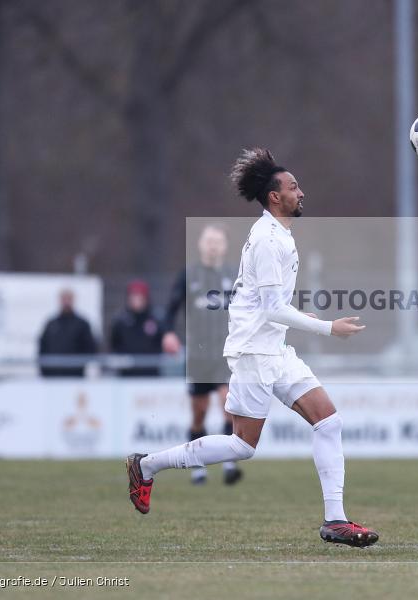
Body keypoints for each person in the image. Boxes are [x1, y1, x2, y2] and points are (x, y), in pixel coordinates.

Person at [127, 148, 379, 547]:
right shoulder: (266, 239)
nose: (301, 192)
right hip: (253, 354)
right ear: (275, 196)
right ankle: (147, 464)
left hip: (274, 351)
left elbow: (274, 306)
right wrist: (329, 328)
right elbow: (272, 307)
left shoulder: (278, 235)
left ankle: (335, 520)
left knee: (329, 422)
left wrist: (312, 320)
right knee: (243, 446)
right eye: (294, 187)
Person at [161, 223, 241, 485]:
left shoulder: (234, 275)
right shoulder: (189, 274)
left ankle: (229, 463)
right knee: (200, 412)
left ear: (225, 246)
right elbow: (170, 308)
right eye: (209, 240)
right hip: (198, 356)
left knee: (228, 404)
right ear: (200, 244)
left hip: (226, 353)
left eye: (218, 240)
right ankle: (197, 466)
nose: (213, 245)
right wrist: (168, 333)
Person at [110, 279, 164, 377]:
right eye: (133, 296)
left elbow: (161, 342)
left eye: (139, 297)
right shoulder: (120, 322)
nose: (136, 300)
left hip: (151, 373)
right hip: (127, 375)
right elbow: (115, 344)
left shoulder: (156, 319)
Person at [38, 289, 97, 377]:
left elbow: (90, 348)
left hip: (75, 376)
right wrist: (44, 370)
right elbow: (43, 348)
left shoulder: (82, 324)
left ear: (73, 300)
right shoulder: (51, 324)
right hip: (52, 377)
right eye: (64, 299)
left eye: (69, 298)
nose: (66, 302)